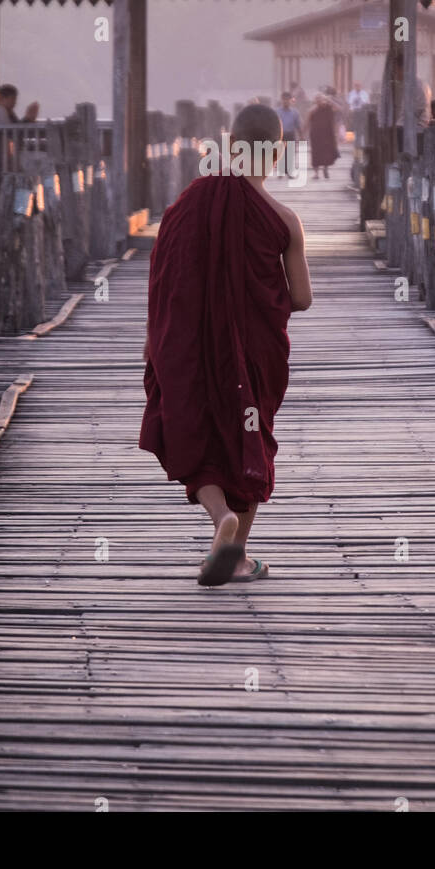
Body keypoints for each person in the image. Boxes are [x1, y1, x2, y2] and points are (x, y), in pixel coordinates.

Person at [139, 102, 313, 586]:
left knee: (198, 430)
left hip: (191, 345)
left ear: (231, 147)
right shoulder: (284, 219)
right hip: (255, 353)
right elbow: (301, 299)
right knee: (251, 438)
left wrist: (156, 341)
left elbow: (164, 279)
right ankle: (235, 552)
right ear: (278, 153)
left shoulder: (186, 205)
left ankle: (220, 520)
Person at [307, 92, 339, 179]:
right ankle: (316, 173)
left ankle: (325, 169)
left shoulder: (328, 107)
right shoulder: (313, 110)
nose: (319, 101)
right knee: (315, 154)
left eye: (320, 99)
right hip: (315, 136)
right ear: (315, 101)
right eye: (317, 99)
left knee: (326, 153)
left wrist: (330, 100)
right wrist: (303, 134)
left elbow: (337, 108)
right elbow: (307, 122)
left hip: (327, 135)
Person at [277, 90, 303, 179]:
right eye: (284, 99)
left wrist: (301, 136)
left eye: (288, 99)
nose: (286, 101)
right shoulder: (277, 112)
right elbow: (273, 124)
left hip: (291, 134)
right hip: (280, 135)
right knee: (280, 153)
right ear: (281, 100)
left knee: (290, 153)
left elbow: (298, 125)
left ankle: (290, 171)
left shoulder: (295, 112)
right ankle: (281, 171)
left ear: (291, 100)